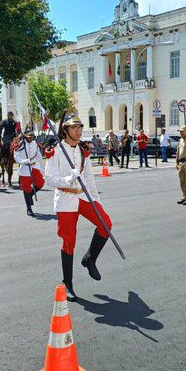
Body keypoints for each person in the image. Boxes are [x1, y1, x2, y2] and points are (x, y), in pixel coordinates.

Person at [44, 114, 113, 302]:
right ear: (65, 130)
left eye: (80, 127)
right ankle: (68, 283)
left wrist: (97, 201)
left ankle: (90, 258)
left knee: (105, 224)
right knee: (68, 242)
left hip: (83, 195)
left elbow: (89, 177)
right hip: (66, 199)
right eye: (74, 127)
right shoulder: (56, 150)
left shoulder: (83, 150)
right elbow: (48, 178)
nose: (79, 130)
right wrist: (69, 178)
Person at [15, 129, 45, 217]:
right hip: (25, 168)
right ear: (25, 137)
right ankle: (29, 208)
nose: (31, 138)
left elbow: (39, 156)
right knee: (26, 188)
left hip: (34, 166)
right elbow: (16, 156)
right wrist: (24, 161)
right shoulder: (20, 144)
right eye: (29, 137)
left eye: (32, 137)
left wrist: (43, 169)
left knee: (40, 183)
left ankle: (29, 196)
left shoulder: (34, 144)